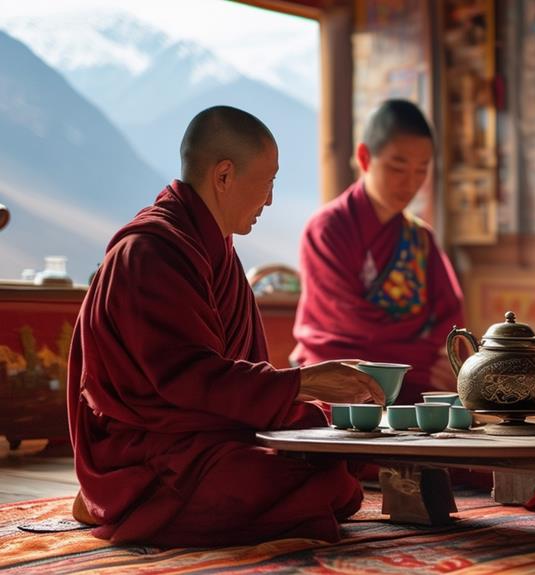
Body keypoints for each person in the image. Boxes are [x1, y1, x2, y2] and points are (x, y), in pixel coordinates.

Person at [68, 106, 386, 547]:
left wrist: (304, 398)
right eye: (268, 181)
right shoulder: (149, 253)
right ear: (223, 176)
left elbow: (231, 381)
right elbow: (187, 378)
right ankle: (118, 501)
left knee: (323, 437)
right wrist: (300, 382)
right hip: (146, 451)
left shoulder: (213, 251)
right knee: (305, 481)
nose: (270, 200)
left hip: (206, 433)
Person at [293, 100, 464, 404]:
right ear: (364, 157)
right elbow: (350, 327)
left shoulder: (420, 238)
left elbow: (450, 318)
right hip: (343, 379)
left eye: (421, 170)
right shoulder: (327, 229)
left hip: (414, 381)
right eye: (398, 167)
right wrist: (421, 358)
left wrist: (446, 361)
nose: (411, 183)